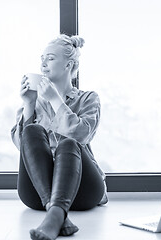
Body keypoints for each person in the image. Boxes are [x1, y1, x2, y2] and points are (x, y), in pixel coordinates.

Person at [11, 34, 108, 240]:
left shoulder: (89, 99)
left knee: (69, 142)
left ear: (68, 65)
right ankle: (56, 212)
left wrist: (55, 99)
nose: (43, 63)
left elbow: (82, 134)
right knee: (31, 131)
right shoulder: (35, 102)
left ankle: (54, 216)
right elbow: (23, 149)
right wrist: (29, 104)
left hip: (83, 191)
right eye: (42, 58)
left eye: (51, 58)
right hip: (37, 193)